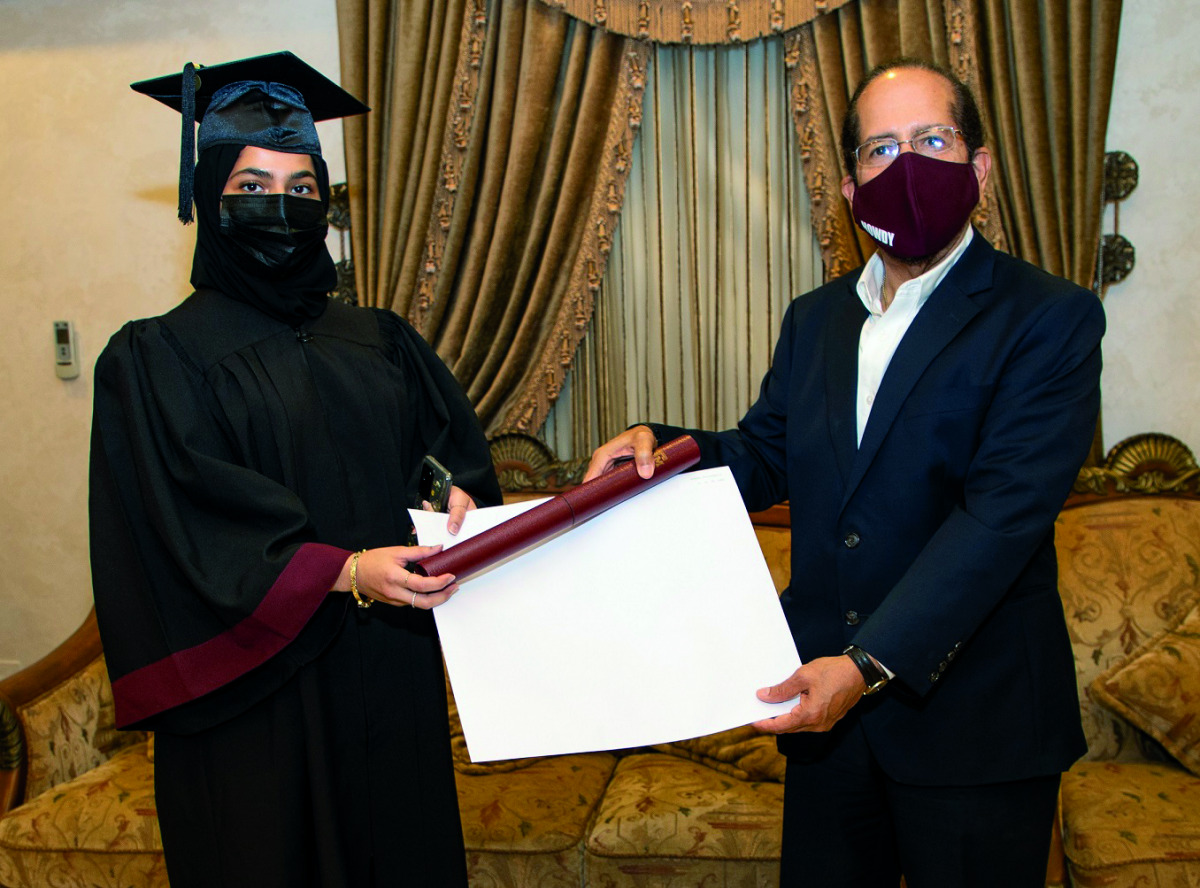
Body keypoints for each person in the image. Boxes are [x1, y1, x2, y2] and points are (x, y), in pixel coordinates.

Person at [586, 58, 1103, 888]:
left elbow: (1000, 519)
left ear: (979, 166)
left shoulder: (1049, 317)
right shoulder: (816, 319)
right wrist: (664, 451)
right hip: (825, 722)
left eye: (930, 140)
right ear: (850, 182)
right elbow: (765, 454)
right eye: (879, 149)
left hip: (973, 722)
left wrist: (865, 667)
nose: (904, 167)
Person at [89, 53, 501, 887]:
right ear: (208, 199)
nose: (279, 206)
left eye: (302, 187)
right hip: (254, 701)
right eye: (250, 187)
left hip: (388, 675)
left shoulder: (380, 339)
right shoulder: (156, 357)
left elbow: (438, 455)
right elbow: (187, 522)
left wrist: (444, 492)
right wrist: (343, 570)